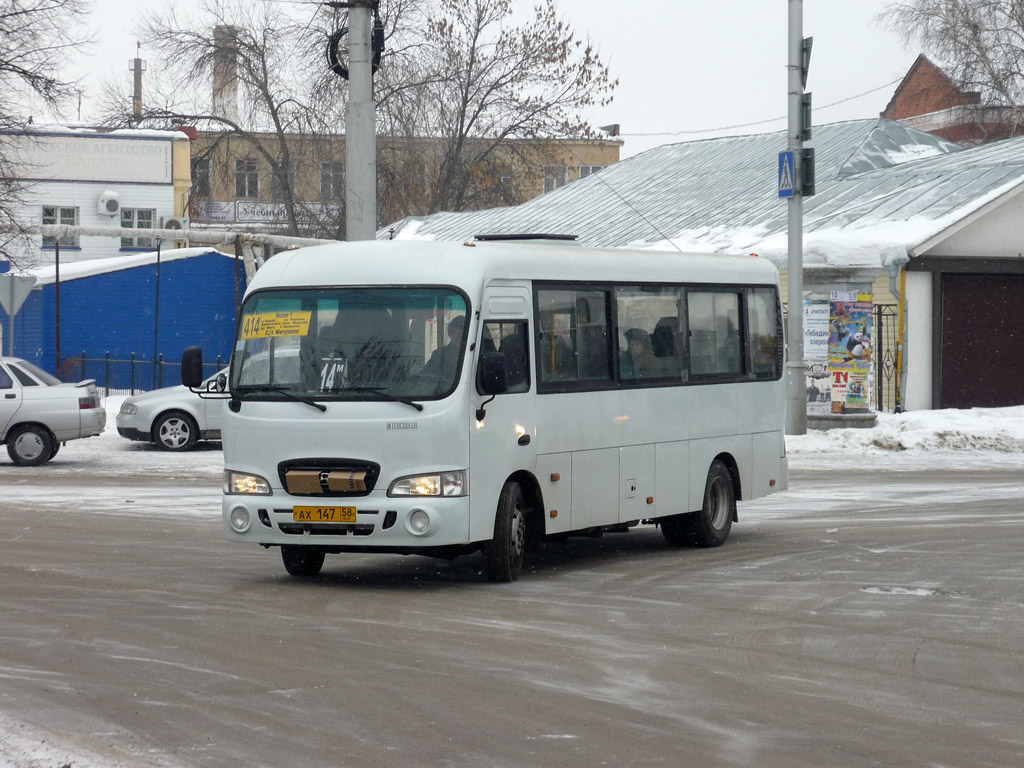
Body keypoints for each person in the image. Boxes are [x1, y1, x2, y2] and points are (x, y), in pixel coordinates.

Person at [420, 315, 466, 391]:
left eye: (462, 333)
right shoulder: (440, 354)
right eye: (455, 333)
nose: (459, 337)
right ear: (450, 333)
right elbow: (426, 377)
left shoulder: (473, 353)